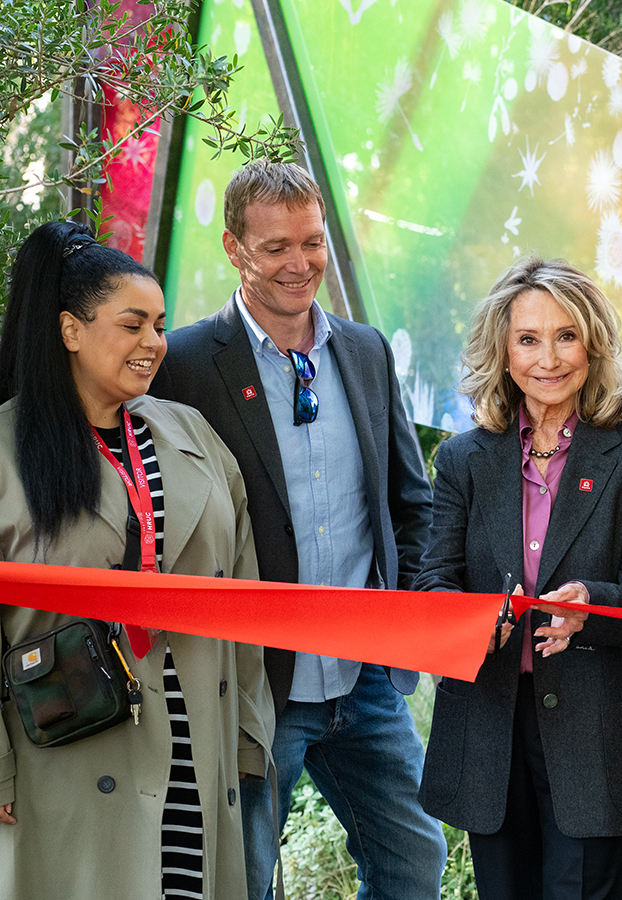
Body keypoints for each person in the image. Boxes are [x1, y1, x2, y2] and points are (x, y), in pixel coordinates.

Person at [150, 161, 446, 900]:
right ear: (234, 248)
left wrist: (404, 612)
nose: (299, 263)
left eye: (311, 243)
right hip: (251, 686)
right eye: (276, 246)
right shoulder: (183, 363)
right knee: (244, 881)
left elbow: (411, 502)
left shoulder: (366, 351)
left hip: (365, 676)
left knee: (415, 861)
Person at [0, 221, 275, 900]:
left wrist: (248, 734)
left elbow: (245, 598)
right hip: (69, 751)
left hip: (196, 745)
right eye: (132, 325)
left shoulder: (192, 435)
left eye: (158, 324)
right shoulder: (8, 451)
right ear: (70, 331)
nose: (154, 344)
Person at [414, 256, 622, 900]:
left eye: (567, 336)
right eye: (529, 339)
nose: (548, 358)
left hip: (592, 732)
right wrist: (480, 622)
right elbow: (432, 585)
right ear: (503, 354)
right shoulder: (463, 459)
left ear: (593, 346)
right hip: (488, 726)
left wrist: (594, 605)